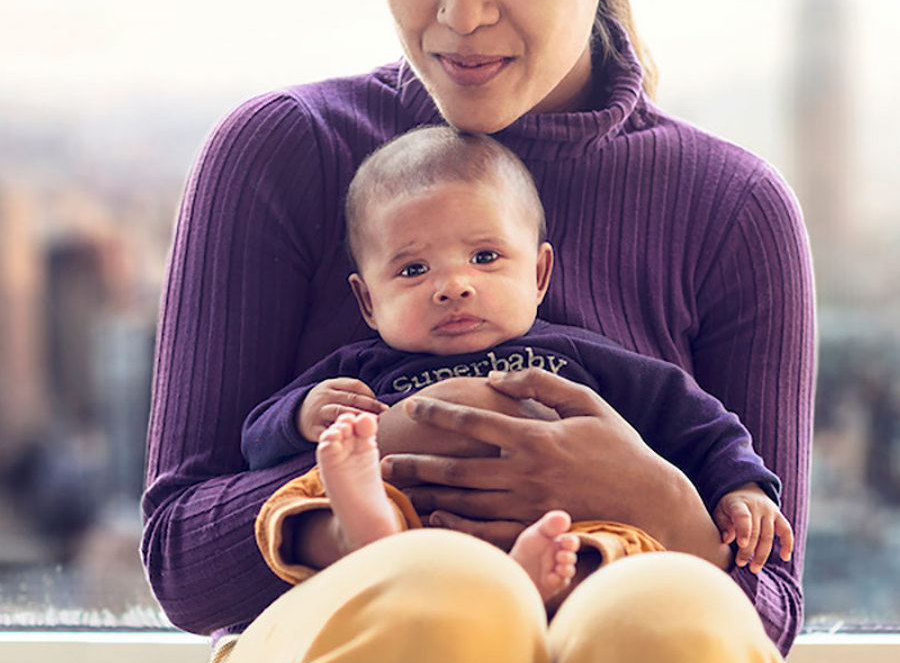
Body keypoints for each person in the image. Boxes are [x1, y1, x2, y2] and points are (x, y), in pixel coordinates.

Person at [141, 0, 815, 663]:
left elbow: (769, 612)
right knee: (450, 600)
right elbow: (182, 562)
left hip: (640, 620)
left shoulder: (734, 211)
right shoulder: (282, 153)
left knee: (667, 623)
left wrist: (665, 505)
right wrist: (385, 469)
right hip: (365, 635)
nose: (459, 13)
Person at [242, 127, 793, 595]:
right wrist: (300, 415)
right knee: (296, 501)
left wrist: (741, 488)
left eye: (485, 258)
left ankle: (543, 575)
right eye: (413, 271)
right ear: (368, 302)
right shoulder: (363, 369)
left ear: (538, 276)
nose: (453, 287)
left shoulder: (577, 357)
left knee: (627, 545)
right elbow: (256, 442)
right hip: (420, 535)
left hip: (568, 528)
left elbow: (693, 419)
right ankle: (363, 529)